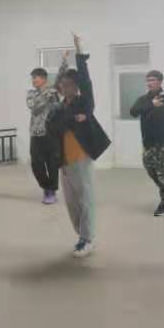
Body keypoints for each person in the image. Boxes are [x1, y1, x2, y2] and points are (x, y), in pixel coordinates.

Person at [46, 33, 110, 258]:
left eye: (70, 84)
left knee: (86, 200)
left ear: (77, 86)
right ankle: (82, 237)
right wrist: (72, 119)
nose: (65, 88)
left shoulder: (84, 103)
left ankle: (88, 239)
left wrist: (79, 52)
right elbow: (51, 127)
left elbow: (86, 81)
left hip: (81, 158)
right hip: (64, 161)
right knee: (72, 204)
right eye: (63, 85)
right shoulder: (59, 108)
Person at [130, 43, 164, 216]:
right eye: (148, 80)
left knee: (163, 173)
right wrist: (150, 105)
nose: (150, 83)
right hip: (148, 143)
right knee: (150, 168)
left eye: (153, 80)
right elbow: (133, 112)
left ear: (160, 82)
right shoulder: (143, 100)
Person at [27, 57, 68, 204]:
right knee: (36, 165)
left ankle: (51, 192)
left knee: (52, 164)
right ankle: (46, 186)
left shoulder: (53, 91)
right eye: (32, 78)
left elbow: (60, 77)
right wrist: (47, 95)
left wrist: (63, 60)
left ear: (44, 79)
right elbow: (34, 108)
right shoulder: (31, 94)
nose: (33, 80)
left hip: (51, 134)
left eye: (36, 77)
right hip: (36, 134)